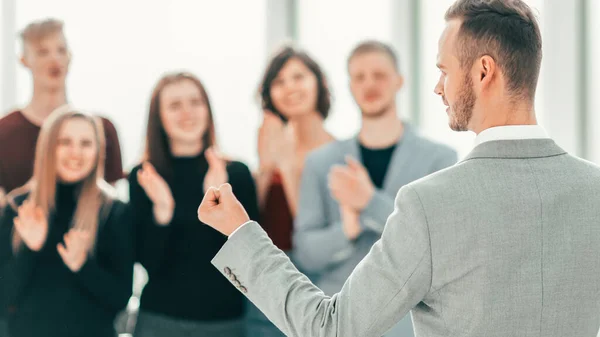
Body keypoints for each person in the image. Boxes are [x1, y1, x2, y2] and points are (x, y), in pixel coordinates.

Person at [198, 0, 600, 336]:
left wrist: (240, 231)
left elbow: (331, 328)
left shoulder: (430, 202)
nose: (438, 87)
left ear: (482, 71)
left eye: (444, 70)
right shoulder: (594, 189)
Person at [292, 40, 456, 336]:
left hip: (409, 325)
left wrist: (369, 201)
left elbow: (440, 247)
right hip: (335, 320)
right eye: (359, 77)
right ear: (350, 86)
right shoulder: (320, 162)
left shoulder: (439, 159)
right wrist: (347, 230)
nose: (369, 84)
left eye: (379, 75)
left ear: (399, 81)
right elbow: (305, 252)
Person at [0, 20, 124, 334]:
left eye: (61, 49)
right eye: (43, 51)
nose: (54, 59)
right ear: (24, 60)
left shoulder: (103, 130)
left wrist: (84, 264)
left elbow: (118, 277)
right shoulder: (4, 133)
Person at [129, 72, 259, 337]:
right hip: (159, 322)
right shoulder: (144, 176)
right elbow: (149, 263)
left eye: (195, 102)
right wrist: (163, 210)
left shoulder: (237, 174)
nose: (187, 112)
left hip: (225, 323)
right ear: (159, 118)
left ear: (207, 110)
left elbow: (251, 260)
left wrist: (218, 202)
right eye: (175, 105)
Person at [0, 108, 133, 337]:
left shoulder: (114, 211)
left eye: (86, 144)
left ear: (98, 151)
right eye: (65, 142)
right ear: (47, 147)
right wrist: (29, 251)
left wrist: (83, 265)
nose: (76, 153)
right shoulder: (17, 207)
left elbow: (120, 300)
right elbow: (4, 299)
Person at [250, 46, 335, 337]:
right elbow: (252, 221)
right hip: (264, 281)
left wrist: (287, 170)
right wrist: (265, 166)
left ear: (318, 83)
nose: (289, 88)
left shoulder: (338, 153)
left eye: (298, 77)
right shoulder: (270, 140)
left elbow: (317, 235)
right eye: (279, 81)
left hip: (316, 284)